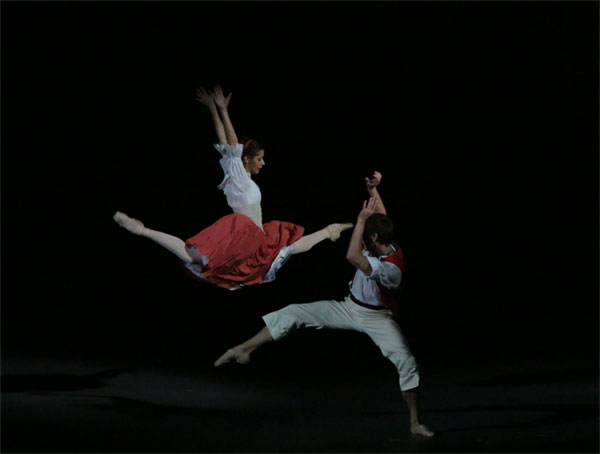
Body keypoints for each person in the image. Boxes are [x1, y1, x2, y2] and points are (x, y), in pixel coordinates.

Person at [214, 172, 435, 437]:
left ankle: (414, 423)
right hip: (349, 307)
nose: (363, 235)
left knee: (406, 361)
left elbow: (352, 256)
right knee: (294, 312)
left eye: (366, 234)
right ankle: (243, 349)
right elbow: (382, 216)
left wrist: (361, 219)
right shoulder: (382, 240)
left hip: (378, 318)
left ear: (374, 239)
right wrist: (374, 191)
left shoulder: (391, 268)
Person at [113, 85, 352, 290]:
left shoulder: (242, 178)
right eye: (259, 158)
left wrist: (218, 110)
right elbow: (231, 143)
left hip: (256, 234)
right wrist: (221, 110)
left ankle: (330, 230)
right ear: (246, 159)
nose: (263, 163)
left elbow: (230, 145)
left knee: (288, 247)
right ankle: (143, 231)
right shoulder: (238, 175)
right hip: (244, 230)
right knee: (196, 255)